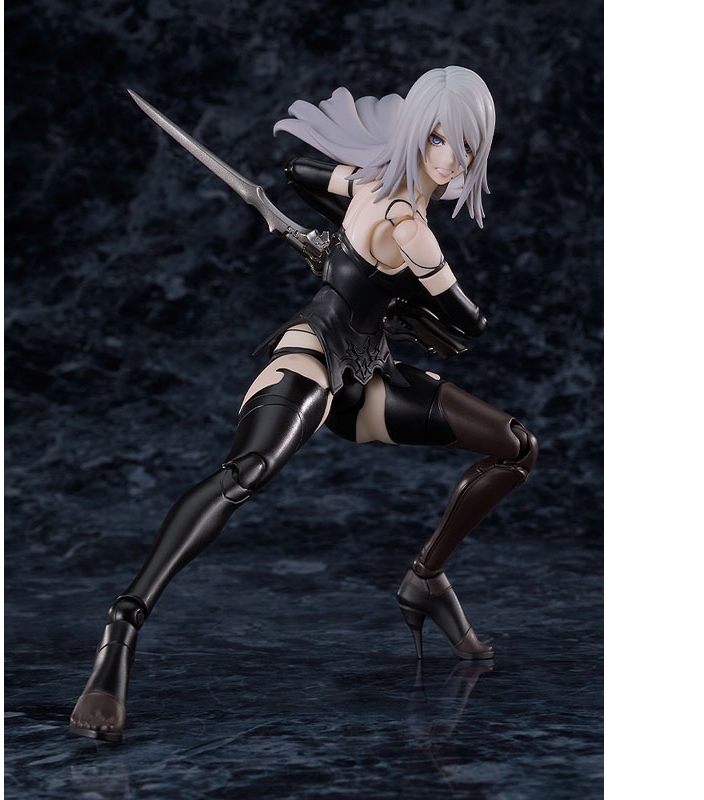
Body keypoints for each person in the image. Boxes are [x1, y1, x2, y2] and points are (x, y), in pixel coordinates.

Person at [70, 66, 537, 743]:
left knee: (515, 447)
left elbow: (297, 173)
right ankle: (121, 627)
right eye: (439, 139)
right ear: (415, 132)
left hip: (370, 373)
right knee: (246, 473)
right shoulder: (410, 225)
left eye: (466, 145)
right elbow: (469, 324)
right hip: (316, 351)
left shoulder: (367, 186)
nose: (452, 159)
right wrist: (358, 264)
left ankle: (426, 580)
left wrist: (346, 252)